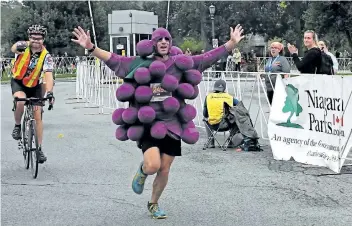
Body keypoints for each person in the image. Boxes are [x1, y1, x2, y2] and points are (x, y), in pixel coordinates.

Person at [71, 24, 244, 219]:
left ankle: (153, 203)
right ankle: (143, 171)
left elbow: (206, 59)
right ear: (152, 43)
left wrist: (230, 43)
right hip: (148, 122)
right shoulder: (139, 63)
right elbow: (114, 60)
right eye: (159, 39)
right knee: (153, 165)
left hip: (172, 124)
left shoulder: (181, 62)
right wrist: (91, 48)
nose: (163, 42)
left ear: (170, 43)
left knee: (164, 168)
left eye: (167, 39)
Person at [10, 24, 55, 163]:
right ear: (29, 38)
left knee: (37, 114)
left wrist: (50, 92)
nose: (36, 41)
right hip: (19, 82)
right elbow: (14, 48)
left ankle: (39, 149)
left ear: (43, 39)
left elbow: (48, 75)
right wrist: (18, 46)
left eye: (39, 38)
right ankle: (17, 125)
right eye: (33, 38)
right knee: (20, 101)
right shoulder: (23, 46)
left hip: (34, 85)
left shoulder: (46, 56)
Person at [203, 79, 239, 148]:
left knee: (205, 119)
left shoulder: (208, 97)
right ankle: (230, 142)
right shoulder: (228, 97)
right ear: (224, 88)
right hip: (225, 125)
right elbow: (239, 105)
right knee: (237, 120)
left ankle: (211, 142)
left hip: (212, 125)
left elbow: (205, 114)